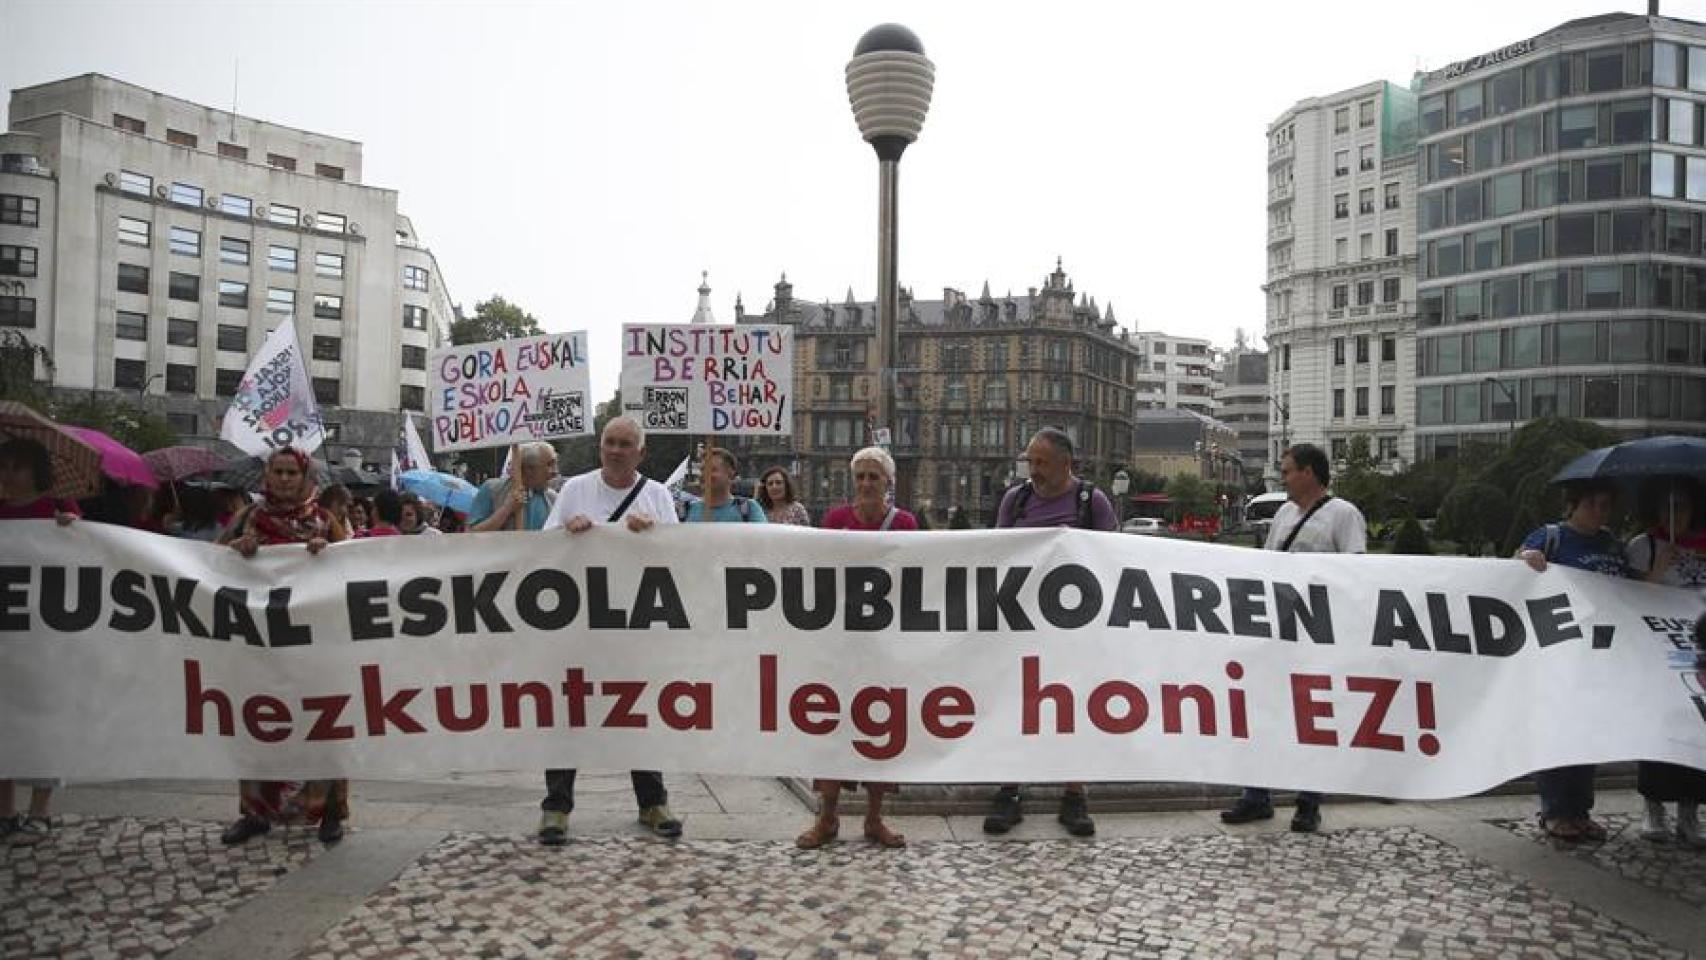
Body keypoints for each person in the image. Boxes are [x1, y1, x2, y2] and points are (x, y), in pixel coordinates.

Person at [536, 417, 682, 844]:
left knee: (638, 712)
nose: (615, 450)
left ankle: (653, 801)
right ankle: (556, 807)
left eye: (625, 444)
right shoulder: (574, 489)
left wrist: (650, 538)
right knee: (567, 712)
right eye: (609, 443)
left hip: (635, 628)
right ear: (601, 446)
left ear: (641, 452)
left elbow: (678, 556)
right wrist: (568, 534)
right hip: (577, 624)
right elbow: (542, 549)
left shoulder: (656, 496)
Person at [1221, 443, 1366, 834]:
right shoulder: (1285, 513)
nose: (1282, 478)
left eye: (1287, 471)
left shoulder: (1344, 514)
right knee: (1262, 710)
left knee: (1314, 717)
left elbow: (1357, 572)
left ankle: (1308, 802)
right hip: (1278, 629)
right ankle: (1256, 795)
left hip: (1317, 634)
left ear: (1309, 473)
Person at [982, 428, 1120, 839]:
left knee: (1072, 708)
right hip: (1022, 623)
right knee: (1016, 705)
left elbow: (1111, 557)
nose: (1034, 470)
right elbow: (996, 553)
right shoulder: (1016, 499)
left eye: (1041, 462)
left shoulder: (1090, 501)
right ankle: (1009, 790)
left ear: (1066, 463)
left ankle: (1074, 795)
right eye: (1031, 461)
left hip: (1074, 629)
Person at [217, 447, 351, 846]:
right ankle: (255, 812)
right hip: (260, 645)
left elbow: (356, 567)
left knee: (322, 724)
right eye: (278, 471)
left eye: (293, 472)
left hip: (316, 647)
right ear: (267, 477)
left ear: (306, 477)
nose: (286, 479)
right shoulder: (248, 519)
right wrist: (237, 550)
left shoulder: (325, 521)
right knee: (257, 722)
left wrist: (328, 553)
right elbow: (208, 564)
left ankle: (328, 811)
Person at [797, 445, 915, 851]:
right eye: (860, 476)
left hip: (885, 645)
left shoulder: (905, 524)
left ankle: (874, 817)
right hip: (842, 644)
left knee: (881, 727)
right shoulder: (835, 520)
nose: (866, 483)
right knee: (832, 724)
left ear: (888, 483)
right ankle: (826, 816)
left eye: (874, 476)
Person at [1514, 478, 1628, 842]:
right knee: (1558, 731)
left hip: (1602, 653)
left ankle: (1580, 810)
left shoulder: (1612, 543)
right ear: (1574, 504)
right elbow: (1516, 568)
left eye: (1606, 505)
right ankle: (1554, 810)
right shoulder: (1552, 537)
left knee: (1588, 734)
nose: (1600, 512)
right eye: (1593, 503)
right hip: (1559, 652)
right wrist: (1527, 560)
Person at [0, 438, 77, 844]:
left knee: (43, 721)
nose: (9, 475)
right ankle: (5, 810)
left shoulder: (58, 512)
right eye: (5, 465)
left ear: (36, 471)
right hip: (6, 638)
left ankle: (40, 809)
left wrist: (70, 532)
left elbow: (88, 557)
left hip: (45, 639)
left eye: (18, 466)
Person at [1625, 479, 1706, 845]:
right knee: (1660, 725)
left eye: (1682, 507)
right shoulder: (1643, 547)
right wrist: (1658, 567)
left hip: (1698, 648)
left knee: (1696, 726)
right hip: (1658, 645)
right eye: (1668, 507)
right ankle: (1653, 805)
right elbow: (1630, 596)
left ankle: (1690, 811)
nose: (1676, 514)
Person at [470, 441, 557, 532]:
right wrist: (506, 509)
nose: (555, 472)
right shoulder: (492, 489)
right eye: (549, 465)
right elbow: (471, 534)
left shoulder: (552, 498)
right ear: (529, 469)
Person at [684, 449, 767, 524]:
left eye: (712, 469)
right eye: (702, 470)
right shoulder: (685, 511)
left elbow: (764, 538)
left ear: (730, 475)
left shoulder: (750, 509)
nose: (704, 475)